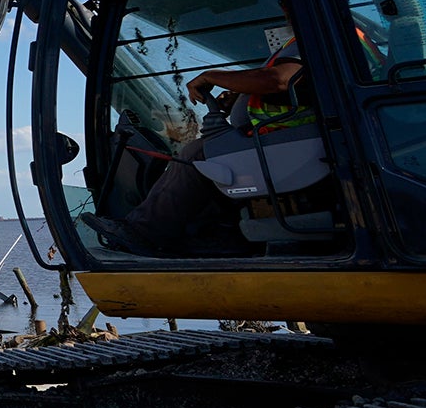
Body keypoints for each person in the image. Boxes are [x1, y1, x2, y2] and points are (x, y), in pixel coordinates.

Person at [84, 32, 310, 256]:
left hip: (288, 143)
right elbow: (280, 87)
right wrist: (243, 96)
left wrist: (212, 77)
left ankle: (144, 233)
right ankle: (220, 237)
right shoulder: (297, 42)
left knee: (200, 154)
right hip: (279, 143)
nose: (285, 11)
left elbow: (278, 80)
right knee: (210, 158)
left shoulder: (309, 36)